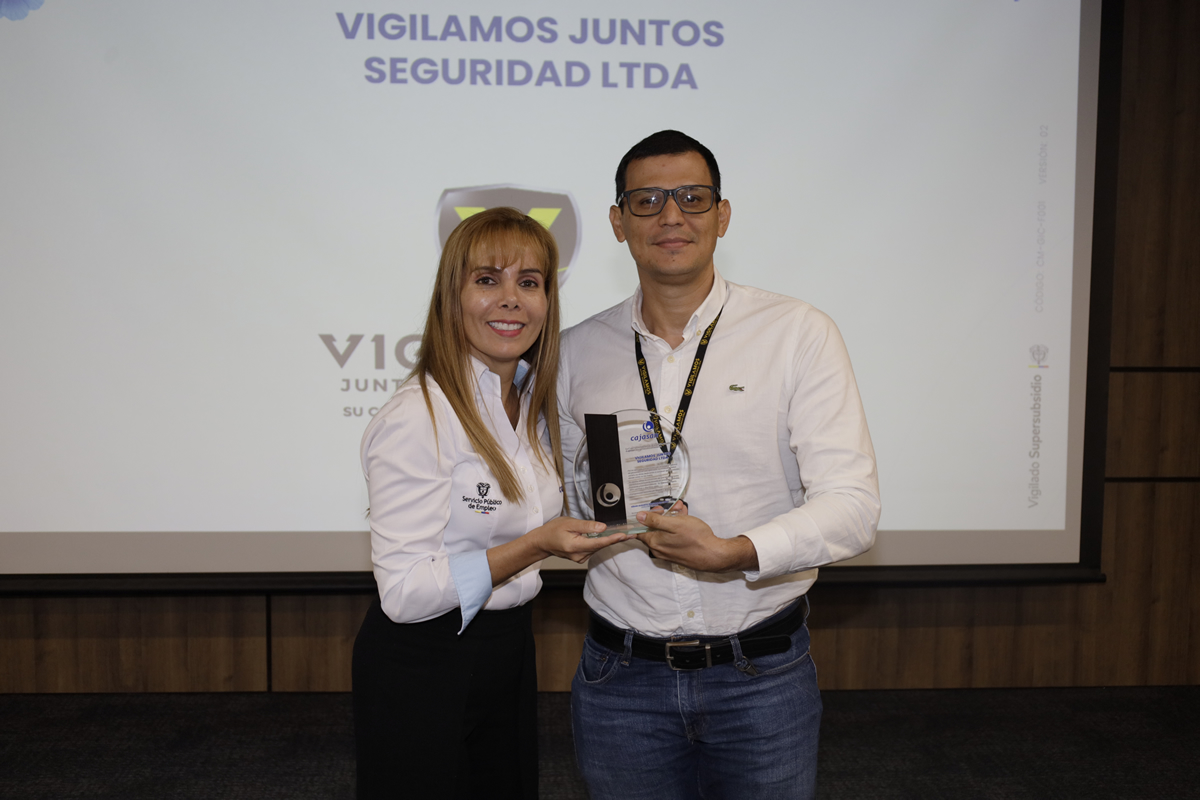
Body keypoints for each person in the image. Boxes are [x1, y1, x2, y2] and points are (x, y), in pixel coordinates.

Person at [558, 131, 881, 799]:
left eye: (692, 198)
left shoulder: (797, 334)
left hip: (760, 676)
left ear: (722, 215)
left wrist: (734, 551)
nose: (670, 216)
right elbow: (562, 499)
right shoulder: (574, 353)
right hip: (620, 680)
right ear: (618, 224)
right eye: (646, 200)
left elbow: (853, 508)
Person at [353, 206, 629, 800]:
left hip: (506, 650)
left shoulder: (528, 406)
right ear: (452, 298)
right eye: (487, 280)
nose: (511, 299)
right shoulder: (417, 417)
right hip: (424, 663)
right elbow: (403, 595)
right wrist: (533, 546)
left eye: (529, 283)